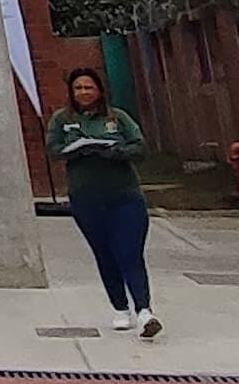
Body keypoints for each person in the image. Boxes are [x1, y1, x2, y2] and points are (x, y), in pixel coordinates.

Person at [48, 66, 159, 338]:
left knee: (129, 253)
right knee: (105, 253)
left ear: (99, 90)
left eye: (89, 87)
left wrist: (115, 151)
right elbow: (53, 149)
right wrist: (76, 150)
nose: (84, 92)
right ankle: (120, 307)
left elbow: (140, 146)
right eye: (78, 88)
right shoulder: (61, 119)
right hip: (86, 200)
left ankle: (144, 311)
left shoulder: (117, 117)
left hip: (124, 196)